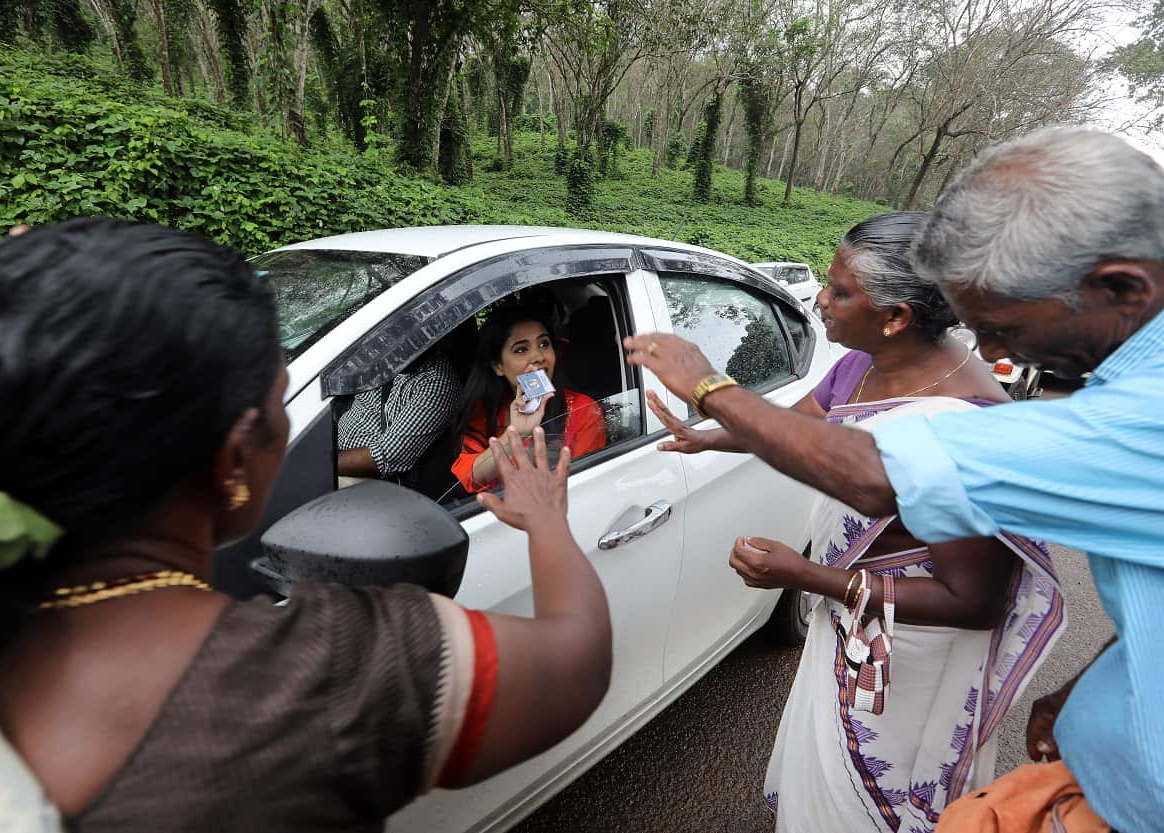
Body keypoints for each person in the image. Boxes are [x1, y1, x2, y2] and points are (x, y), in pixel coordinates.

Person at [0, 219, 613, 832]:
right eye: (277, 403)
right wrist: (545, 517)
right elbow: (573, 662)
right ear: (236, 456)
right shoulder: (327, 668)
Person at [625, 127, 1163, 833]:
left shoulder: (1133, 419)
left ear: (1122, 287)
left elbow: (882, 480)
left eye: (1000, 325)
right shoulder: (1115, 388)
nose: (991, 352)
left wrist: (711, 387)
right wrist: (1097, 686)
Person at [648, 212, 1064, 832]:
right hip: (853, 624)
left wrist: (805, 575)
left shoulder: (963, 432)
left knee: (871, 806)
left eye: (841, 291)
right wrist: (706, 437)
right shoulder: (860, 365)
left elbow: (975, 602)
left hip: (913, 659)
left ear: (895, 316)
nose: (819, 299)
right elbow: (796, 425)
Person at [451, 303, 607, 494]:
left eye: (544, 344)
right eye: (521, 349)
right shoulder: (484, 412)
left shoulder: (583, 410)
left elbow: (583, 489)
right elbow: (470, 478)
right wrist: (514, 435)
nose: (538, 356)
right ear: (498, 366)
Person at [335, 349, 461, 483]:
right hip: (335, 448)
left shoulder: (438, 384)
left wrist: (325, 465)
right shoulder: (392, 357)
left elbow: (382, 458)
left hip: (365, 476)